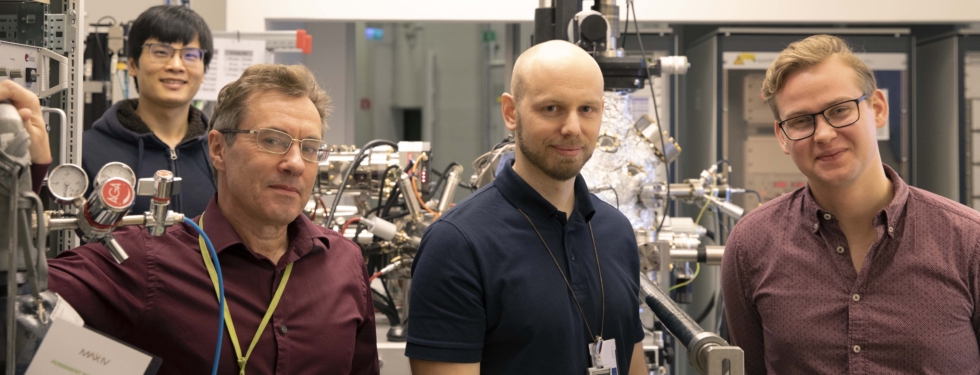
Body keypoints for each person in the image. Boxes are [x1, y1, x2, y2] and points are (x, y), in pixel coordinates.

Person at [47, 64, 379, 374]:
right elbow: (21, 300)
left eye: (310, 148)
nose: (294, 163)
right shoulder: (147, 262)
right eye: (273, 141)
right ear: (218, 149)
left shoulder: (344, 264)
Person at [721, 34, 980, 374]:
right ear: (782, 136)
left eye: (840, 110)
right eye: (801, 120)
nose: (824, 134)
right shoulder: (751, 246)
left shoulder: (968, 241)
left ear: (878, 109)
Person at [406, 40, 647, 374]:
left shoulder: (616, 231)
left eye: (586, 109)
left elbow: (632, 363)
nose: (572, 128)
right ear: (510, 112)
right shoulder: (457, 244)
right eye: (551, 108)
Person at [83, 5, 215, 218]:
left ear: (204, 70)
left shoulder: (221, 153)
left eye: (190, 55)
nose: (176, 65)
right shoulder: (87, 151)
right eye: (161, 52)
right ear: (133, 65)